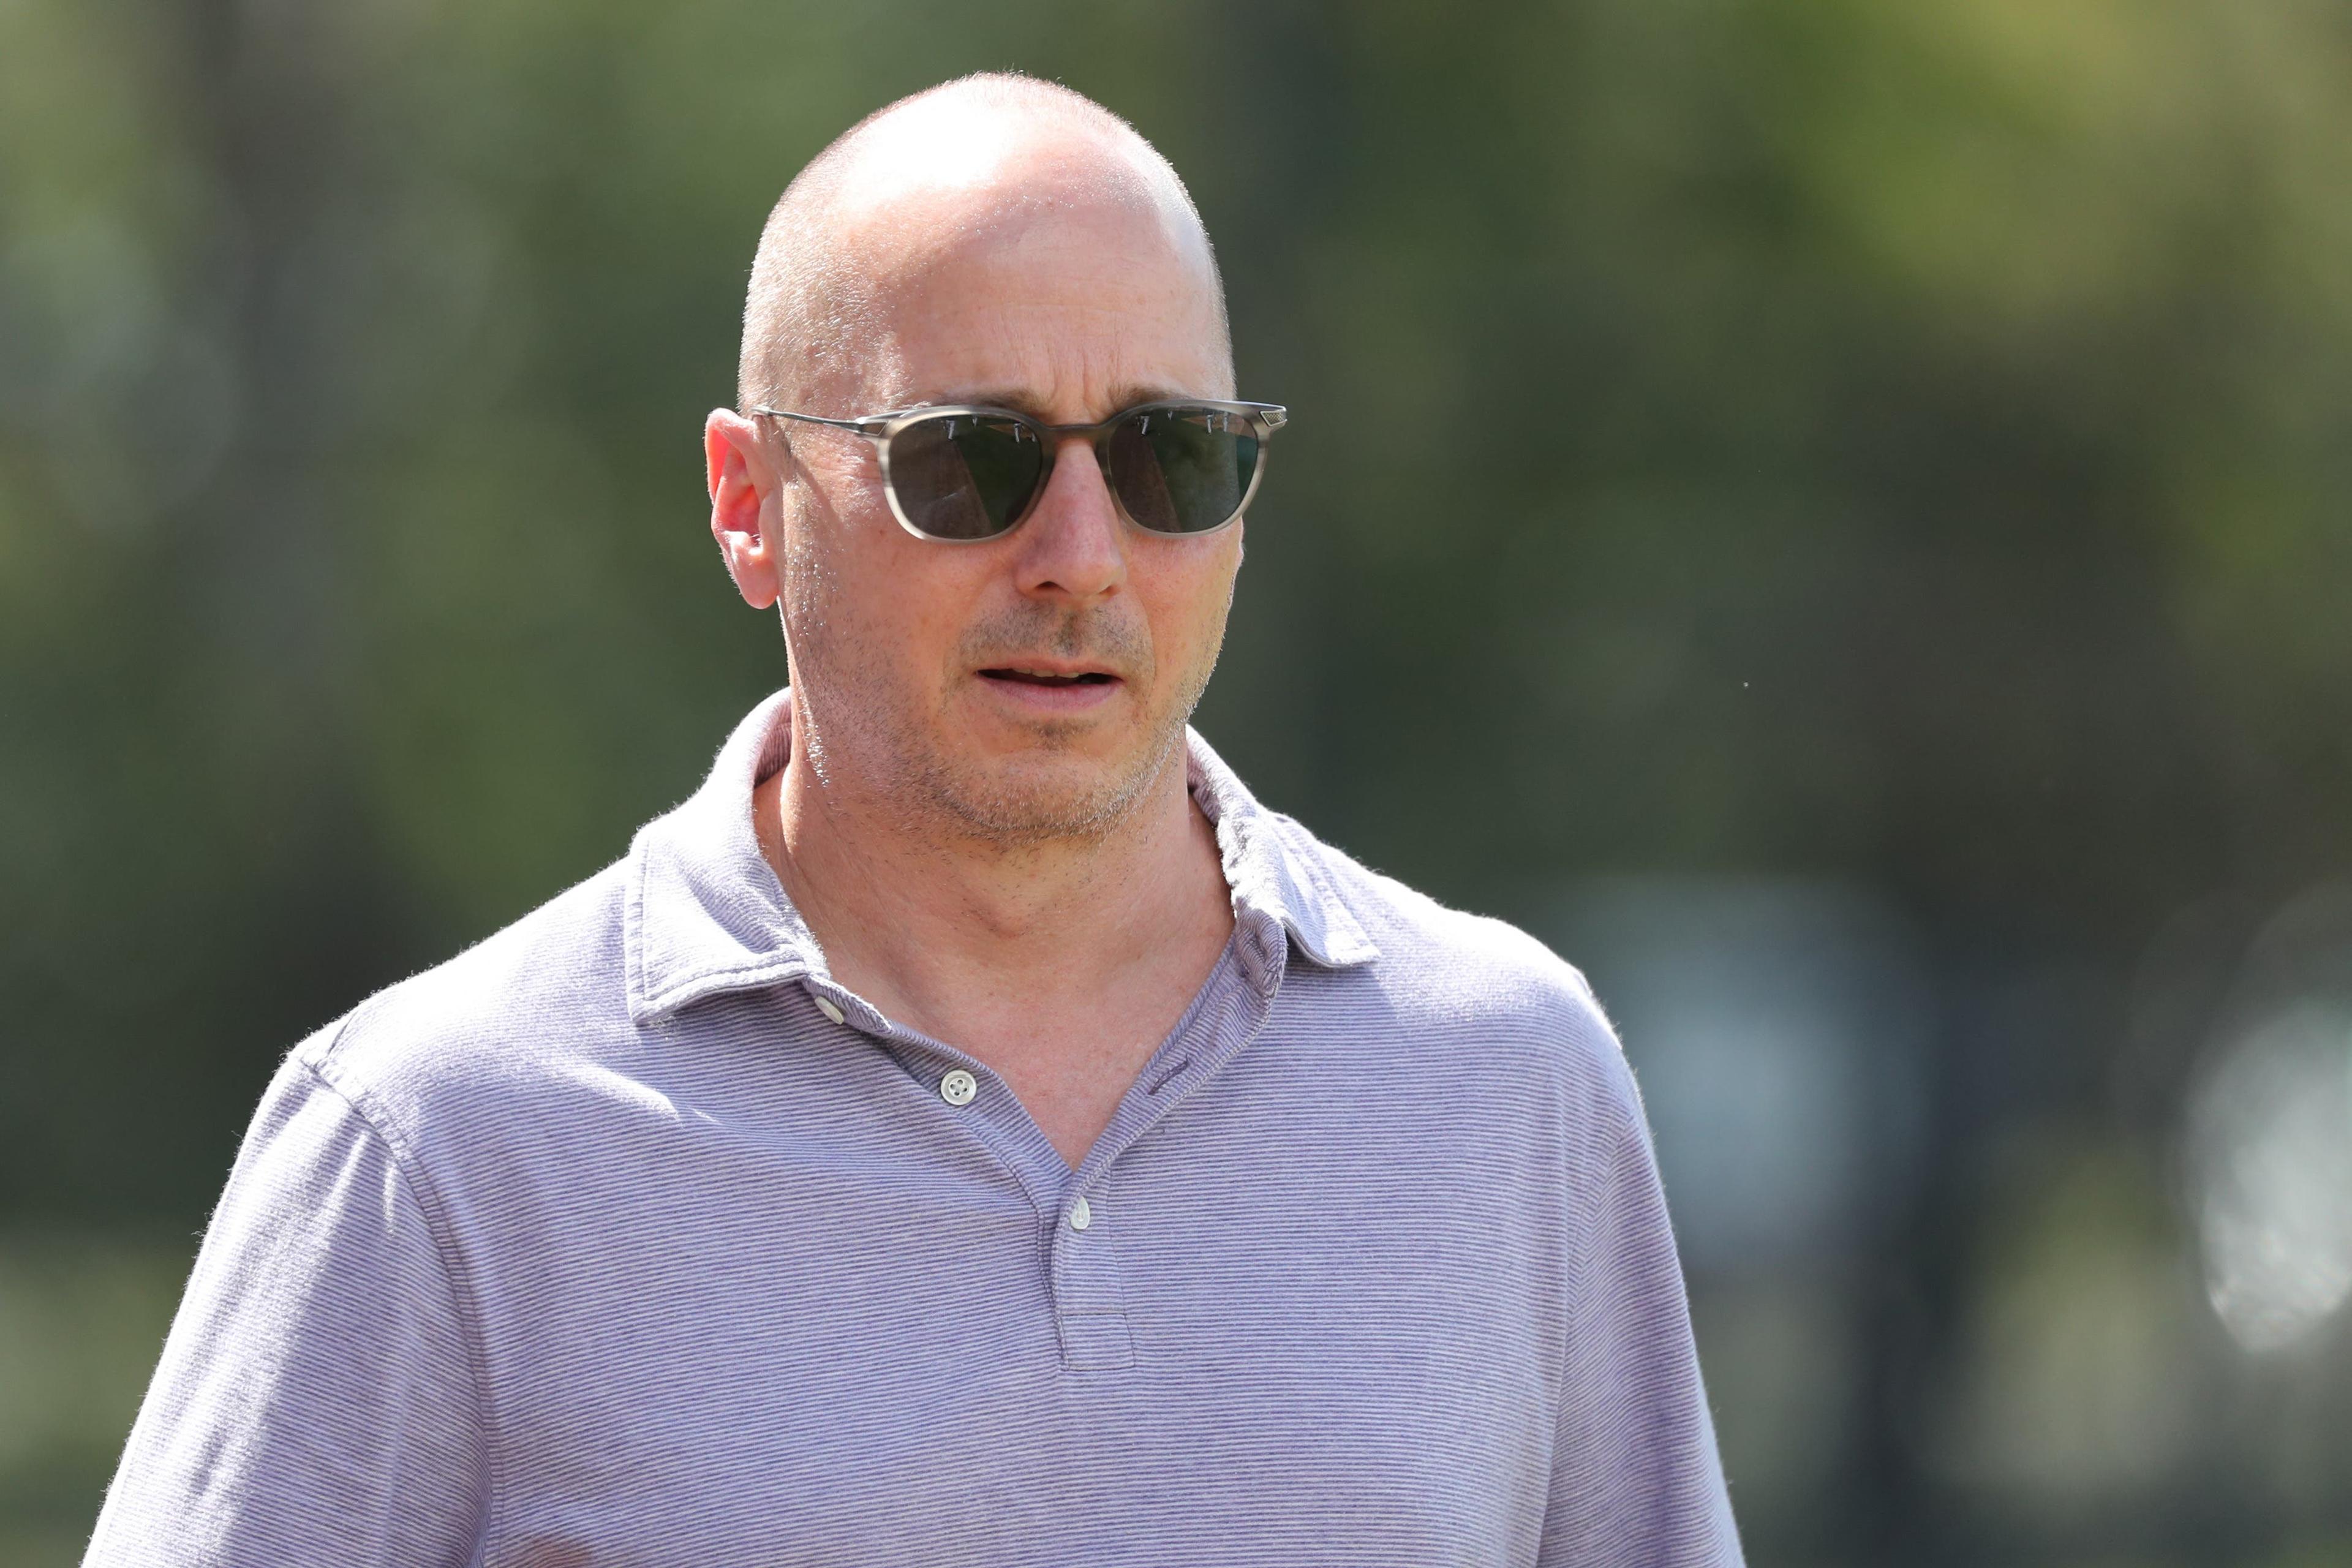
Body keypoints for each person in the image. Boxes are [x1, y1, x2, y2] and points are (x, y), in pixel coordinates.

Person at [85, 74, 1743, 1567]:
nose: (1082, 554)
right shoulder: (436, 1147)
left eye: (1171, 458)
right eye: (970, 460)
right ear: (751, 507)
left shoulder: (1509, 1084)